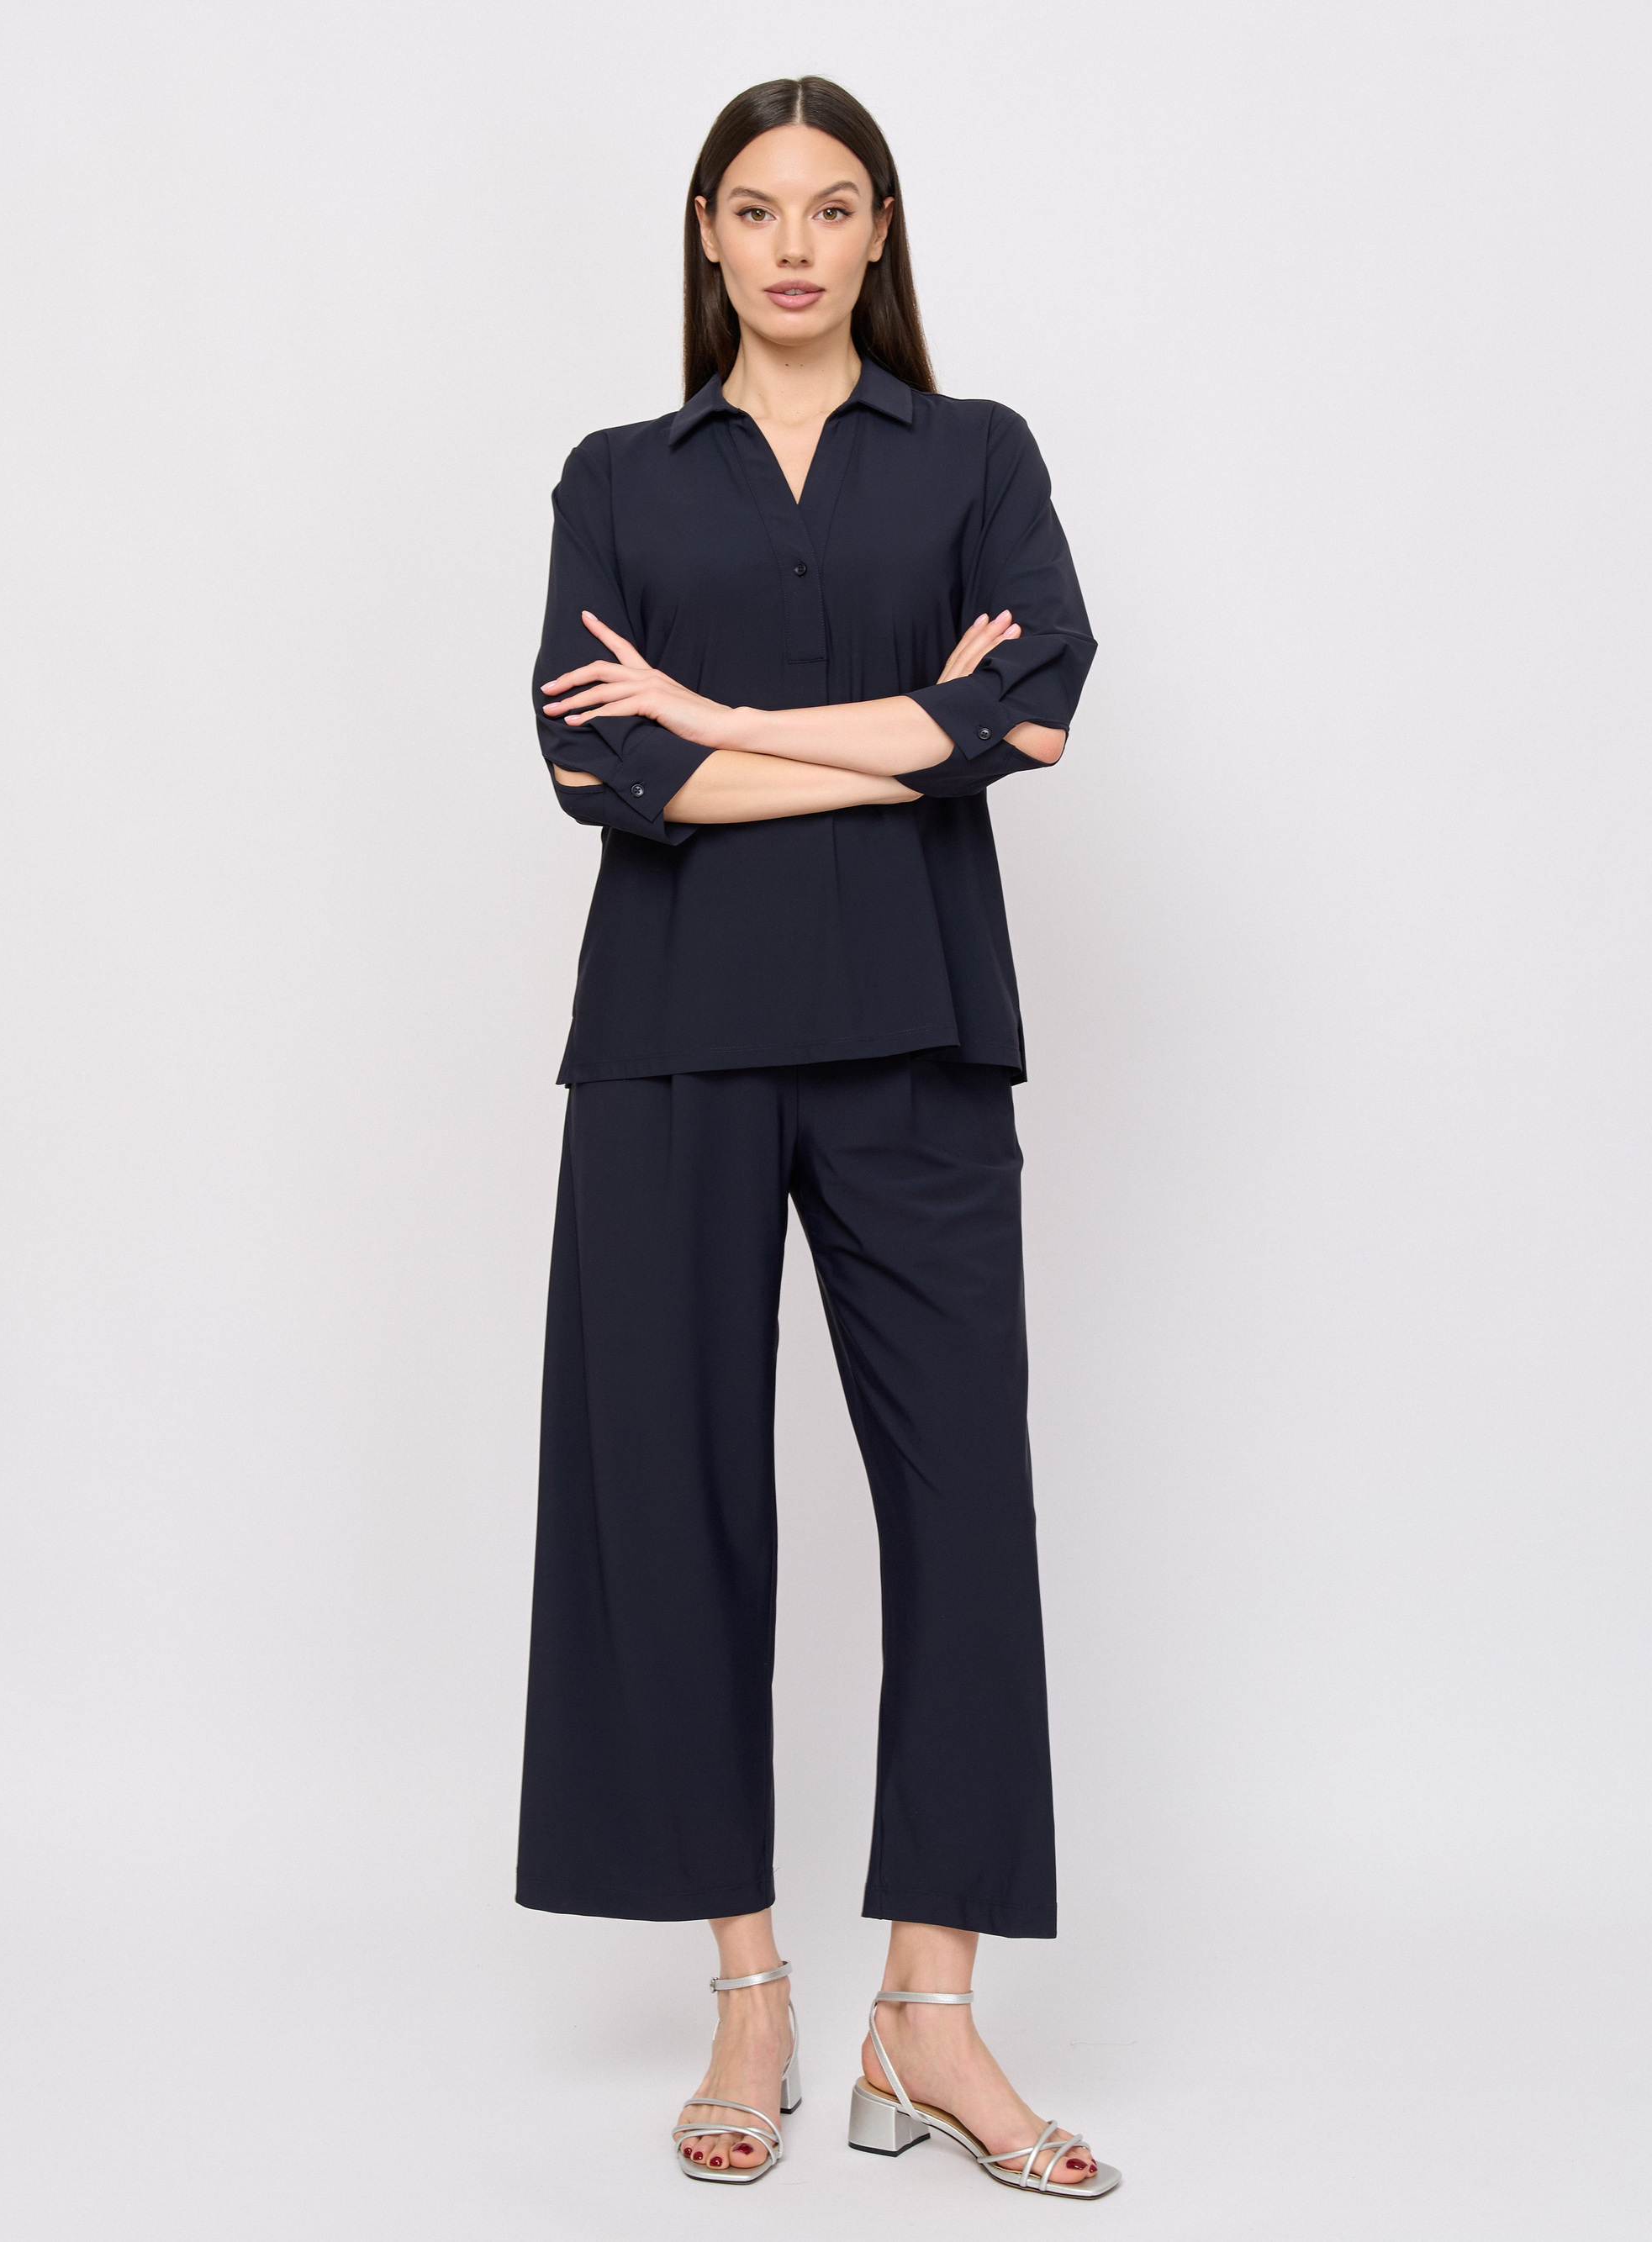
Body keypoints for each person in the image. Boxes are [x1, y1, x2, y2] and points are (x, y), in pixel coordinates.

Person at [516, 75, 1118, 2198]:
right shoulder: (618, 475)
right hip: (670, 1039)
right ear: (707, 231)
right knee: (670, 1500)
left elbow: (1031, 712)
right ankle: (752, 1987)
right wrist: (901, 744)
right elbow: (599, 782)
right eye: (756, 207)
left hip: (916, 1033)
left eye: (831, 206)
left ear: (880, 232)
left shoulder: (976, 455)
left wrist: (715, 722)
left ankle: (926, 2013)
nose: (792, 243)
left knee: (962, 1503)